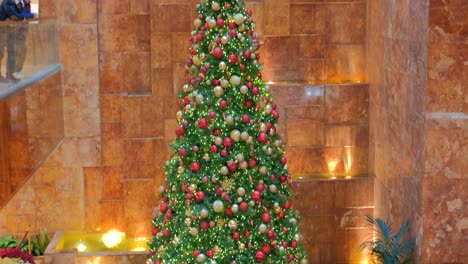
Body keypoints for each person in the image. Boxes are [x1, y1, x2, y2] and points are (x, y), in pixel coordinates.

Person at [0, 0, 35, 81]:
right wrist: (31, 15)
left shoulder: (22, 3)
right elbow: (17, 16)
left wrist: (20, 17)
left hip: (12, 32)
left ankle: (11, 75)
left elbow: (18, 16)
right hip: (3, 31)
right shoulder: (8, 1)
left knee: (12, 53)